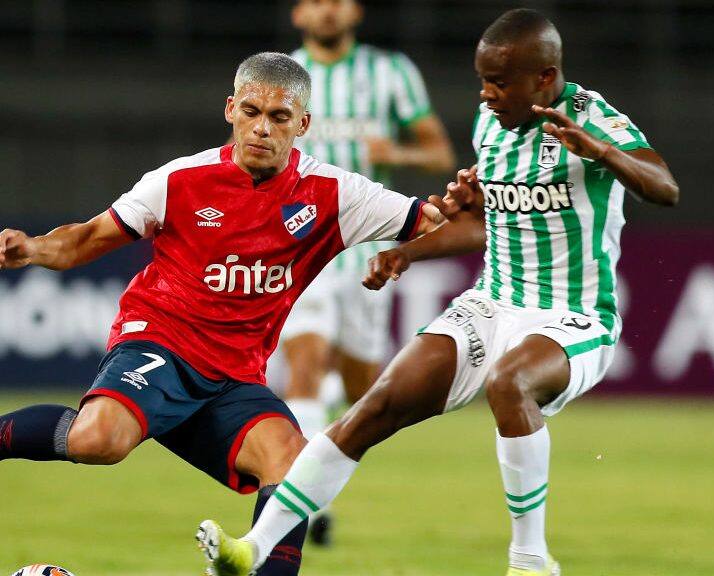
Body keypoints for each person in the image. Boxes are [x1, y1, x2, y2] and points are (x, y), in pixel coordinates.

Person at [199, 9, 679, 576]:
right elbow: (487, 224)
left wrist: (602, 153)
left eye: (499, 82)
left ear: (544, 78)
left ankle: (530, 559)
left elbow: (664, 188)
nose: (486, 94)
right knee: (373, 407)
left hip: (571, 315)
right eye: (483, 80)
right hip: (491, 303)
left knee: (509, 383)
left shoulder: (593, 118)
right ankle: (253, 549)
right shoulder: (490, 125)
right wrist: (408, 252)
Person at [0, 52, 440, 576]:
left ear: (303, 124)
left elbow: (433, 222)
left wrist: (483, 200)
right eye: (251, 112)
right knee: (100, 440)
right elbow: (87, 239)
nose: (262, 128)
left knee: (293, 467)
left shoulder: (335, 194)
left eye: (279, 117)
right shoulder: (180, 180)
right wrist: (34, 248)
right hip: (161, 344)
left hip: (233, 376)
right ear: (231, 109)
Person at [279, 2, 454, 546]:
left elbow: (439, 152)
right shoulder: (281, 75)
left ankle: (329, 402)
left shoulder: (390, 72)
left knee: (362, 389)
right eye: (317, 0)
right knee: (304, 364)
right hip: (299, 248)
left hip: (366, 253)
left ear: (355, 9)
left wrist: (396, 151)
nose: (328, 10)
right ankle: (308, 507)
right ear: (299, 12)